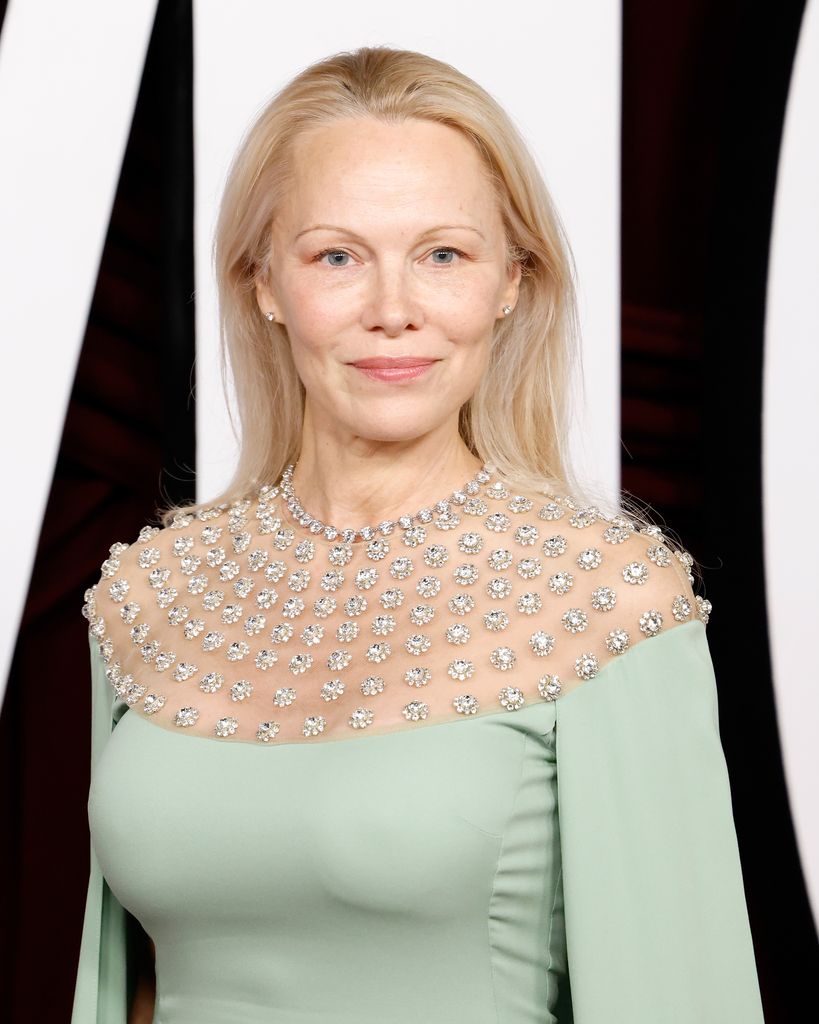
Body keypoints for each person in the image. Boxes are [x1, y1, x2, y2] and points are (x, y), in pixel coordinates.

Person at [71, 45, 765, 1024]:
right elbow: (124, 990)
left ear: (512, 282)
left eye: (443, 254)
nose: (393, 310)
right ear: (264, 281)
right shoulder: (151, 593)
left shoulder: (609, 599)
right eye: (337, 256)